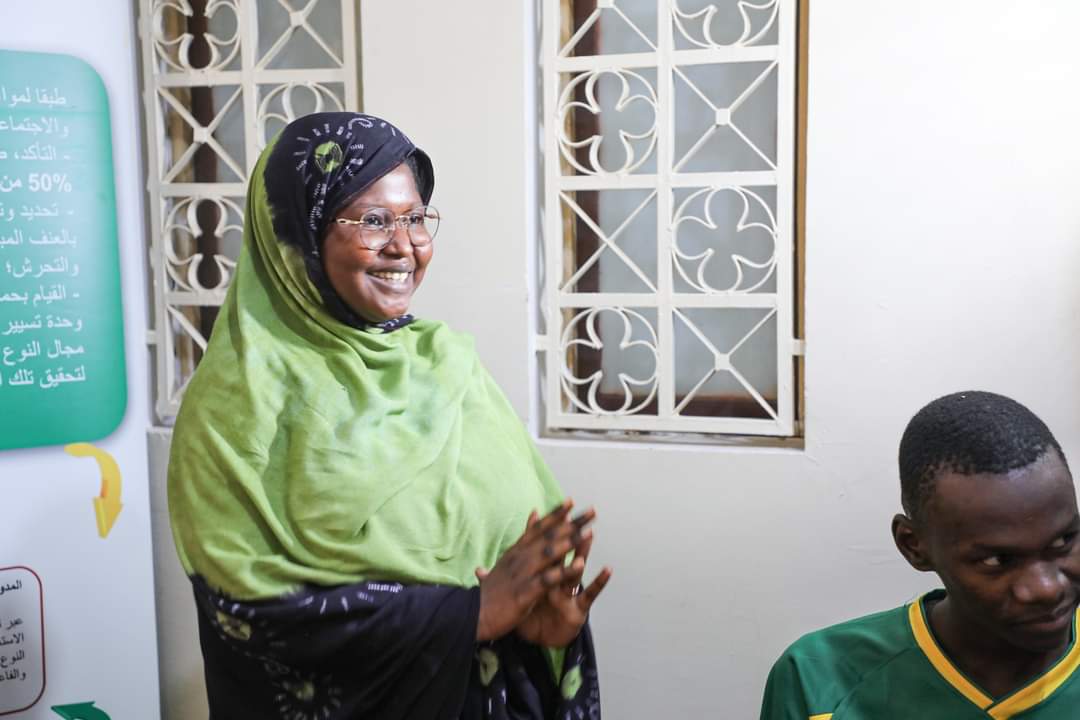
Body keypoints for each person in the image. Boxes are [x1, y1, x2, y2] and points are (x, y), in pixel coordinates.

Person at [168, 112, 611, 719]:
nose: (405, 246)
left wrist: (540, 628)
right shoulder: (236, 402)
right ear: (299, 235)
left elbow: (506, 557)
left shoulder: (443, 362)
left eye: (416, 218)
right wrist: (470, 615)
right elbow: (245, 607)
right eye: (374, 220)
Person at [760, 390, 1080, 719]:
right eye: (997, 561)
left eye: (1064, 541)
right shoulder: (819, 679)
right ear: (913, 545)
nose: (1047, 588)